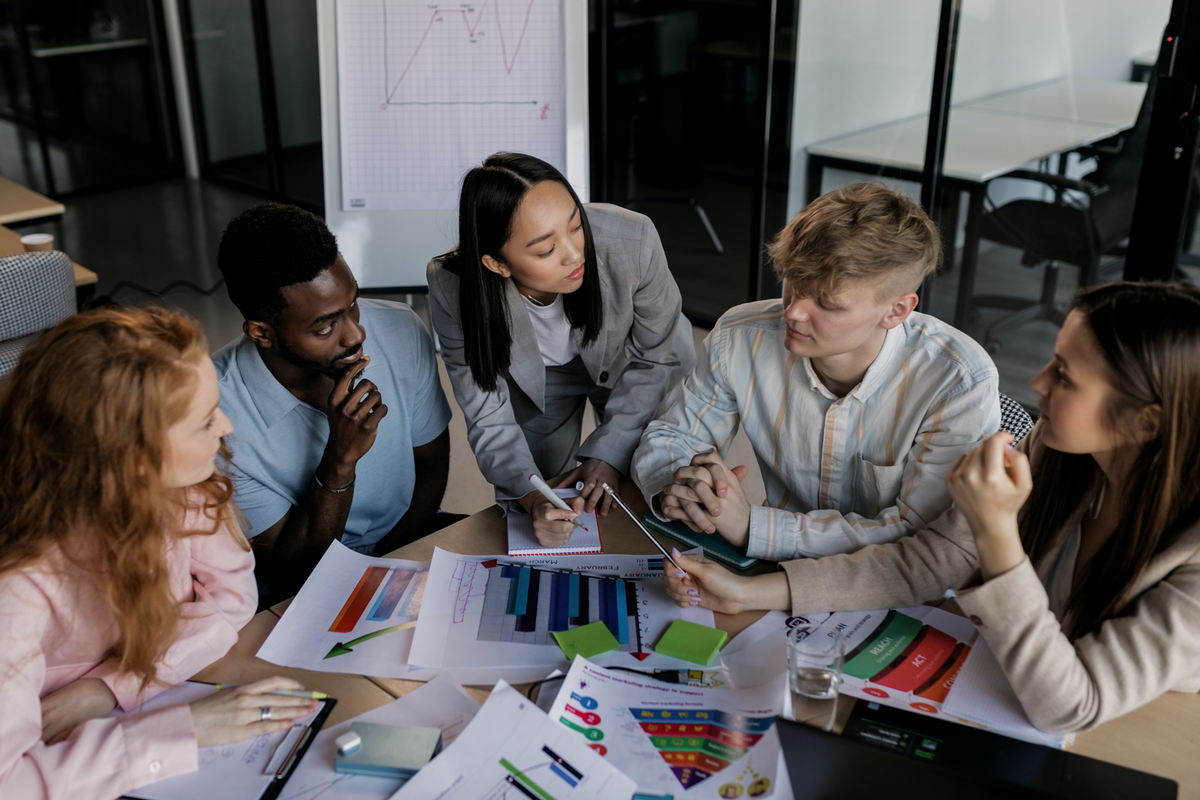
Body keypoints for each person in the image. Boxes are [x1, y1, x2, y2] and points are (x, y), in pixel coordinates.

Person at [664, 281, 1200, 733]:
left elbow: (1068, 707)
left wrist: (996, 533)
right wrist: (751, 590)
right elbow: (931, 559)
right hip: (1003, 687)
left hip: (1131, 734)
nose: (1036, 384)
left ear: (1145, 423)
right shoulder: (1062, 454)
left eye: (1064, 376)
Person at [0, 307, 317, 799]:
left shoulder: (187, 487)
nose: (227, 426)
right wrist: (185, 730)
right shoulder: (17, 585)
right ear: (134, 461)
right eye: (205, 420)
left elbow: (231, 601)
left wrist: (110, 686)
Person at [632, 182, 999, 559]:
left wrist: (751, 527)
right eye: (793, 280)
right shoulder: (738, 337)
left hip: (902, 593)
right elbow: (674, 434)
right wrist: (684, 487)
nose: (792, 311)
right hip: (771, 566)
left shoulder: (958, 381)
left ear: (897, 311)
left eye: (827, 303)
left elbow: (921, 535)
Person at [428, 152, 694, 546]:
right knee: (549, 490)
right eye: (544, 250)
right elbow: (487, 415)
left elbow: (656, 356)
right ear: (497, 264)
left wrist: (607, 455)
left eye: (575, 226)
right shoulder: (453, 285)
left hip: (635, 362)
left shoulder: (632, 239)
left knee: (648, 475)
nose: (574, 254)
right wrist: (535, 499)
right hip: (541, 380)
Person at [214, 203, 453, 598]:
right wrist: (340, 460)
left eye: (353, 304)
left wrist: (391, 572)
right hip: (301, 585)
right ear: (261, 333)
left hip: (406, 545)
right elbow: (289, 569)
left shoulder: (402, 328)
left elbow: (431, 467)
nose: (356, 334)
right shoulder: (215, 412)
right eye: (326, 326)